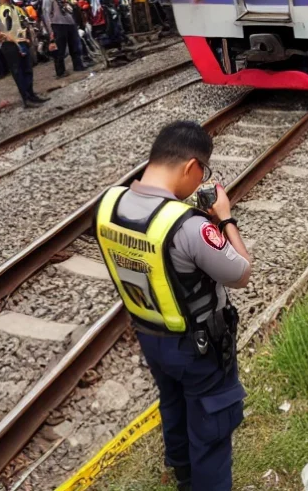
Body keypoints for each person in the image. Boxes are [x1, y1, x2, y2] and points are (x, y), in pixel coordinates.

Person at [94, 121, 252, 490]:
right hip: (198, 346)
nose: (200, 182)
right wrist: (225, 218)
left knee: (173, 401)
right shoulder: (187, 227)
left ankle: (182, 473)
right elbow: (241, 273)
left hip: (149, 334)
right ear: (191, 166)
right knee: (211, 426)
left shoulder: (108, 204)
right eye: (203, 174)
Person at [0, 0, 47, 108]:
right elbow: (0, 32)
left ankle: (31, 94)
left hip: (21, 41)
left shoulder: (13, 8)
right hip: (9, 44)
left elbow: (20, 24)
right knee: (18, 72)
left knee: (27, 70)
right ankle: (26, 99)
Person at [43, 0, 87, 78]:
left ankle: (78, 65)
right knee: (60, 50)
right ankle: (60, 71)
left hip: (69, 23)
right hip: (57, 25)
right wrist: (50, 31)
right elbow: (46, 15)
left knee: (75, 46)